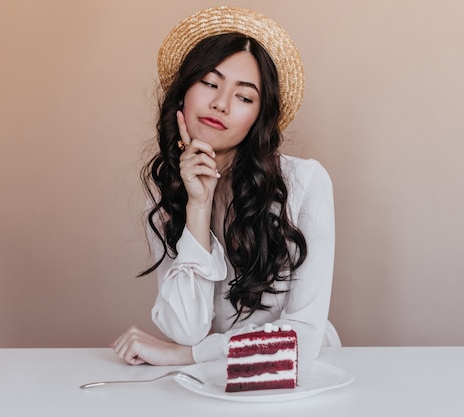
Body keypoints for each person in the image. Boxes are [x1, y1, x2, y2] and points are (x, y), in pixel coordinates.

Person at [113, 6, 340, 366]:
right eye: (209, 82)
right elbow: (186, 329)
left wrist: (188, 356)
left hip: (295, 382)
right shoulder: (166, 193)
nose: (220, 104)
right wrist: (198, 207)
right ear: (183, 91)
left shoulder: (305, 183)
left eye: (244, 97)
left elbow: (304, 337)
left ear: (258, 117)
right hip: (211, 386)